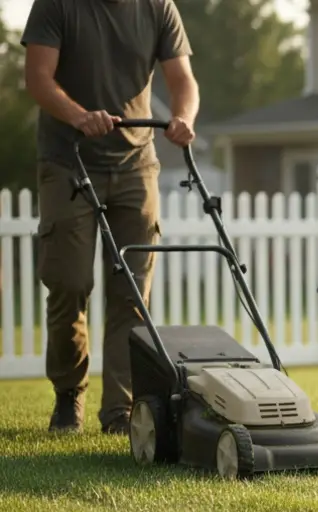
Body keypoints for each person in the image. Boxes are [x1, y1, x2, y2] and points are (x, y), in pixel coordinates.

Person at [22, 0, 199, 435]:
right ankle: (69, 393)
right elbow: (38, 78)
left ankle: (121, 410)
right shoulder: (57, 5)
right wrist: (80, 116)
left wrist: (182, 117)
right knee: (69, 282)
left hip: (137, 163)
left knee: (131, 293)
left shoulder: (158, 8)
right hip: (68, 160)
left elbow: (183, 80)